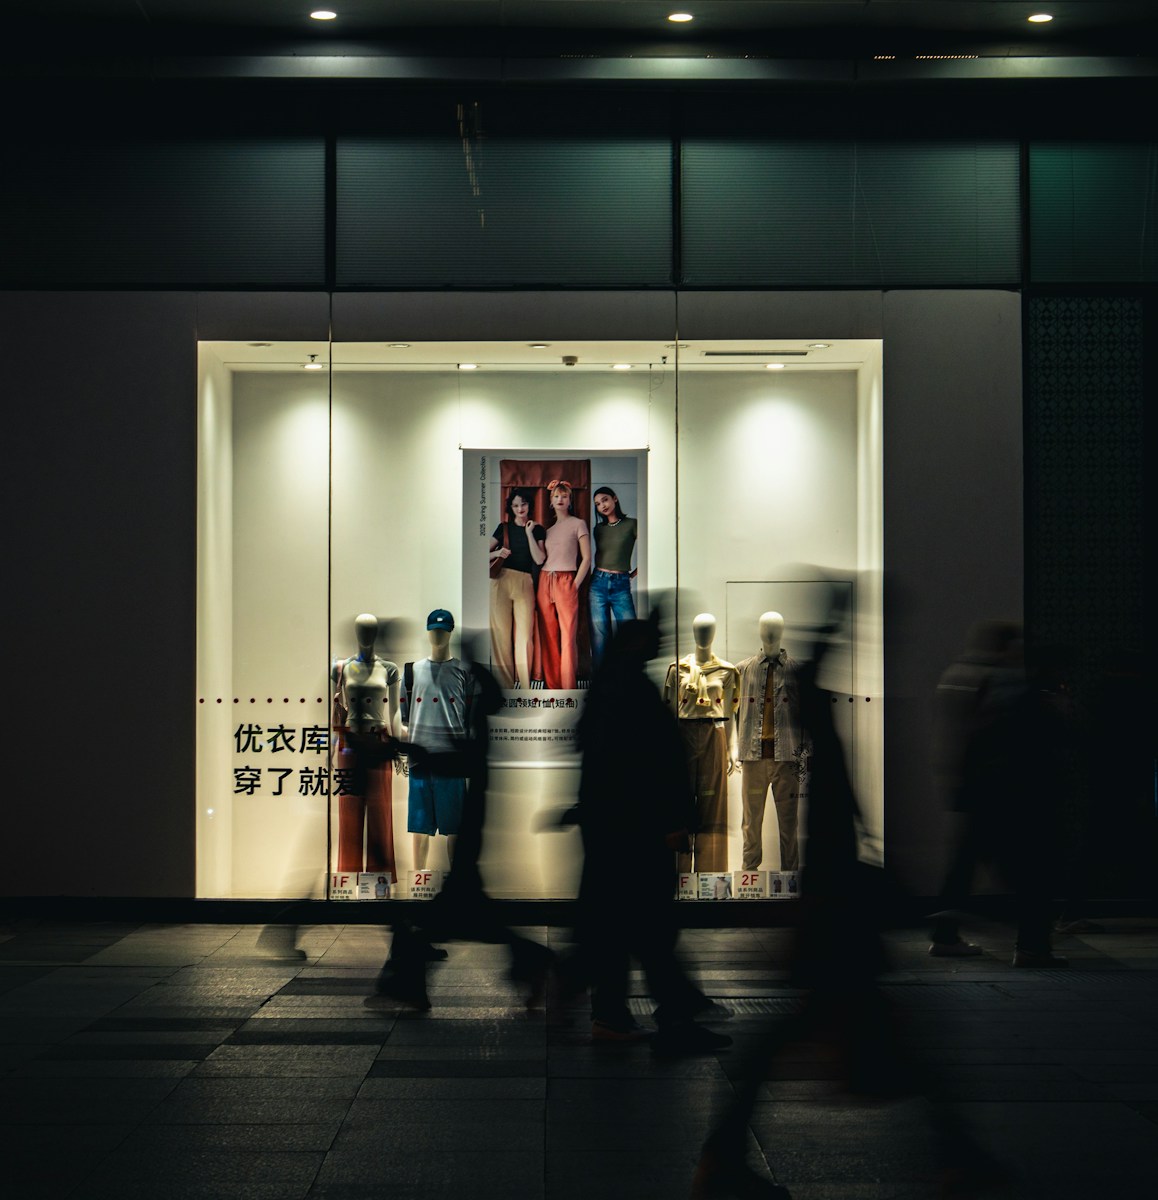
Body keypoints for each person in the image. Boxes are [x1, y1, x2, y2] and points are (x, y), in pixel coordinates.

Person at [575, 611, 731, 1055]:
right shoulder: (629, 692)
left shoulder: (614, 689)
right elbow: (649, 765)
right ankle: (669, 1014)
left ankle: (627, 1013)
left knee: (630, 932)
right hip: (634, 834)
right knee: (649, 931)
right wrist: (670, 820)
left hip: (620, 833)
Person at [664, 613, 739, 873]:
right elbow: (669, 712)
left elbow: (730, 713)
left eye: (708, 630)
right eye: (700, 630)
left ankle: (711, 880)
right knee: (679, 803)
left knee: (713, 809)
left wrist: (732, 748)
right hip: (682, 735)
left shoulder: (728, 672)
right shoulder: (677, 669)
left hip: (713, 734)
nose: (703, 635)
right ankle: (679, 878)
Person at [330, 613, 402, 877]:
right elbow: (334, 710)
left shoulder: (390, 669)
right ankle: (348, 877)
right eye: (362, 630)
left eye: (370, 630)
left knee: (380, 812)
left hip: (378, 740)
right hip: (350, 742)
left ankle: (379, 876)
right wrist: (329, 746)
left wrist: (399, 749)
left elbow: (395, 712)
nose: (366, 635)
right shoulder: (342, 668)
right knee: (349, 811)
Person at [736, 612, 807, 873]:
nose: (770, 632)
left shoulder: (796, 671)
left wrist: (805, 756)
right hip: (753, 758)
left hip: (787, 758)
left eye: (775, 628)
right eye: (766, 627)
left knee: (789, 823)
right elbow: (734, 714)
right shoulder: (743, 670)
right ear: (759, 631)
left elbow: (805, 718)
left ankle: (790, 877)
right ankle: (749, 875)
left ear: (783, 630)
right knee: (751, 822)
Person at [535, 479, 591, 689]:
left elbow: (587, 559)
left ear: (570, 500)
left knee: (568, 635)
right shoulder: (548, 531)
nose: (560, 499)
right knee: (548, 636)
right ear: (550, 501)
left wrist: (574, 585)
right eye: (556, 496)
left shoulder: (578, 523)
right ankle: (553, 687)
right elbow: (541, 558)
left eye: (564, 496)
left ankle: (569, 688)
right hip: (544, 580)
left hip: (567, 580)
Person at [488, 487, 546, 689]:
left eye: (523, 504)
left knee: (524, 636)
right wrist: (497, 553)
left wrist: (529, 532)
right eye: (515, 505)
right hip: (501, 581)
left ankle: (525, 685)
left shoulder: (538, 529)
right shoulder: (503, 528)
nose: (520, 508)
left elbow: (540, 559)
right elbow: (480, 553)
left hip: (525, 582)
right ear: (510, 508)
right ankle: (504, 687)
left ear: (529, 505)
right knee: (501, 635)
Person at [588, 485, 638, 670]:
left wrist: (633, 574)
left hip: (621, 585)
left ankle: (630, 680)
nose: (602, 505)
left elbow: (652, 547)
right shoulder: (598, 529)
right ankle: (601, 685)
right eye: (598, 504)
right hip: (597, 585)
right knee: (600, 638)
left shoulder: (632, 524)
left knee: (630, 633)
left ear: (615, 498)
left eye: (605, 500)